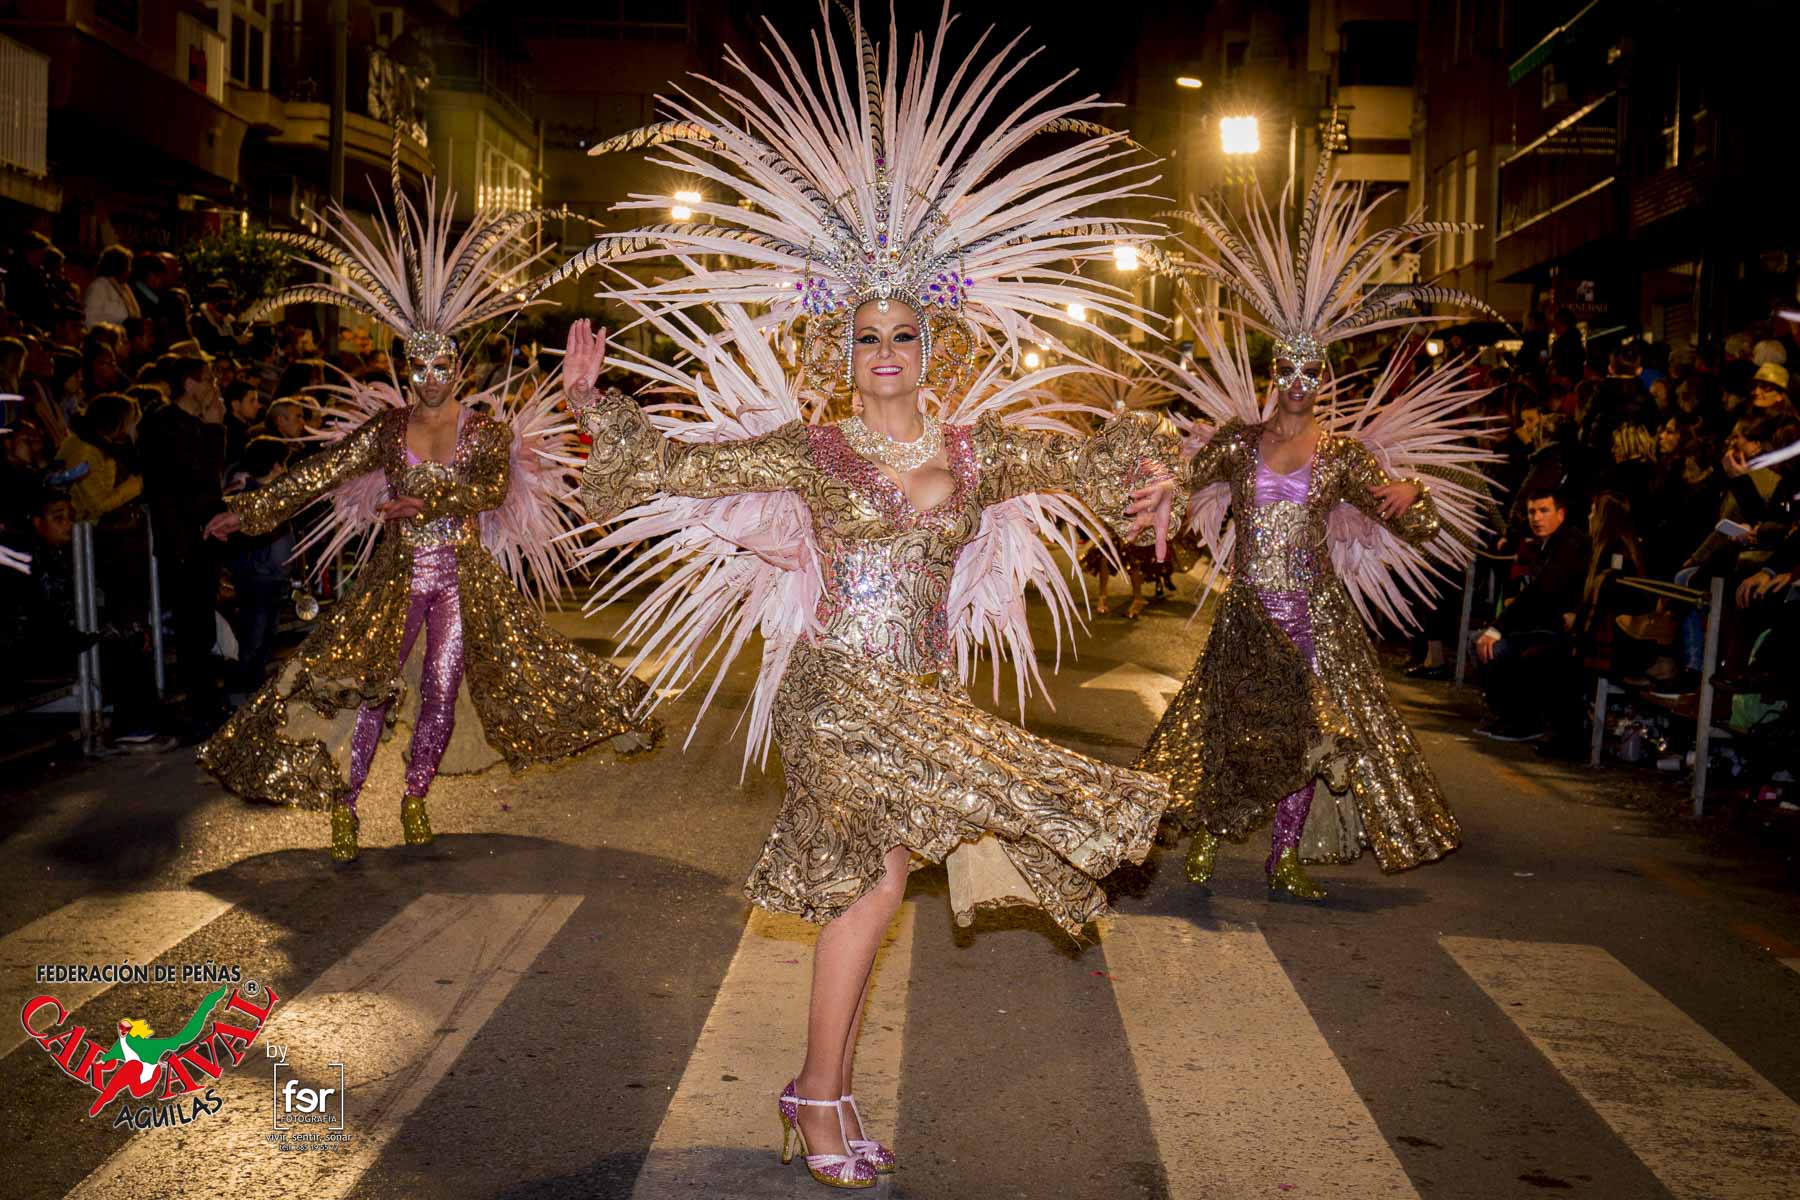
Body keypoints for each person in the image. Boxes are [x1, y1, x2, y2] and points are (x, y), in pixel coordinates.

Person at [560, 7, 1172, 1185]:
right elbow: (679, 469)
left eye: (902, 333)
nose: (885, 351)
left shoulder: (982, 450)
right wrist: (599, 412)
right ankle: (820, 1097)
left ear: (931, 343)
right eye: (867, 336)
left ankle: (817, 1093)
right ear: (840, 350)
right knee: (875, 881)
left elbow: (1094, 462)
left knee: (906, 872)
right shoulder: (810, 451)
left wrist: (1150, 461)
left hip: (922, 693)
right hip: (837, 691)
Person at [197, 134, 661, 865]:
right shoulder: (387, 429)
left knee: (443, 691)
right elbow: (320, 472)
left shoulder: (486, 432)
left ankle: (414, 798)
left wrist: (429, 497)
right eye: (420, 364)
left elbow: (490, 487)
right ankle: (346, 805)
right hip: (393, 580)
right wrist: (253, 510)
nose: (432, 376)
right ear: (409, 365)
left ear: (459, 364)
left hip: (460, 579)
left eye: (443, 363)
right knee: (365, 693)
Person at [1143, 144, 1497, 898]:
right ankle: (1206, 838)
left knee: (1310, 733)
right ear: (1275, 375)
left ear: (1323, 378)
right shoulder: (1239, 442)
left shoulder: (1342, 456)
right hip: (1249, 611)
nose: (1299, 382)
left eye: (1312, 371)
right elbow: (1182, 474)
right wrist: (1161, 491)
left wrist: (1413, 496)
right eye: (1289, 369)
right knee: (1230, 726)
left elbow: (1421, 528)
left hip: (1314, 613)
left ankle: (1285, 858)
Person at [138, 354, 227, 737]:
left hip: (203, 536)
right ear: (189, 384)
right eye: (208, 380)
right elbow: (197, 473)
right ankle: (199, 709)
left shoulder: (194, 424)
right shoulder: (163, 424)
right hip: (181, 539)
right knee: (191, 629)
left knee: (203, 625)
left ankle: (207, 702)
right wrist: (214, 428)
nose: (213, 388)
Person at [1474, 488, 1591, 740]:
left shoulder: (1569, 544)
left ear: (1560, 514)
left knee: (1496, 648)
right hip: (1541, 624)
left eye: (1544, 511)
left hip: (1557, 629)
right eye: (1532, 512)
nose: (1537, 518)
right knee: (1481, 641)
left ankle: (1523, 721)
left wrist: (1498, 627)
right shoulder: (1546, 544)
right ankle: (1506, 714)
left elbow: (1542, 592)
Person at [83, 245, 140, 329]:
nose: (130, 270)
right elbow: (89, 319)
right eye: (128, 266)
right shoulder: (98, 287)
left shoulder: (124, 288)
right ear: (118, 267)